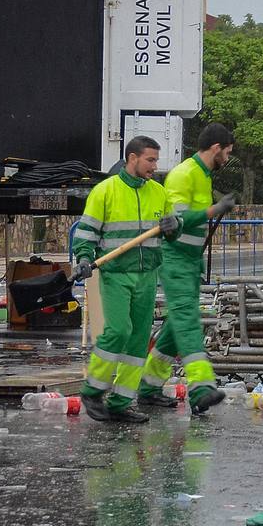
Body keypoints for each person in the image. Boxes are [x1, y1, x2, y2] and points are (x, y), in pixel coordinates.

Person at [138, 124, 237, 415]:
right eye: (227, 153)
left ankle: (148, 387)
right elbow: (178, 219)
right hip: (175, 258)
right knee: (187, 319)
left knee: (173, 327)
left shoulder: (202, 175)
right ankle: (201, 387)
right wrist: (214, 210)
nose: (228, 159)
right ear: (216, 148)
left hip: (189, 259)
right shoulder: (184, 174)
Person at [72, 137, 168, 423]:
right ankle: (93, 390)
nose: (154, 166)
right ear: (132, 158)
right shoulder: (106, 191)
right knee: (119, 331)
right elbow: (87, 231)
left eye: (156, 160)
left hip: (147, 274)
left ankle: (120, 402)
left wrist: (175, 226)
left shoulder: (159, 193)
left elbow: (170, 228)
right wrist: (85, 257)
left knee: (139, 341)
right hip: (116, 273)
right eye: (150, 160)